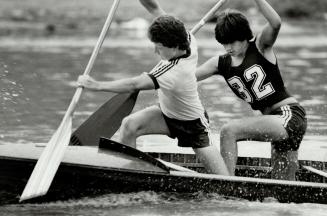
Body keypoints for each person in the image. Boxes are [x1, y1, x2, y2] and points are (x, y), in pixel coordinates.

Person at [77, 14, 230, 175]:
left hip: (193, 125)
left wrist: (96, 85)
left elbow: (133, 84)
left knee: (222, 178)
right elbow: (158, 11)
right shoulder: (189, 38)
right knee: (129, 125)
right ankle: (131, 176)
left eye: (159, 47)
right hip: (166, 115)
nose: (155, 50)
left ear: (175, 46)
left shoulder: (172, 73)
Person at [195, 0, 307, 180]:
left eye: (232, 42)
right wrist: (178, 56)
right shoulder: (220, 63)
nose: (228, 48)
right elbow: (188, 77)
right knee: (280, 190)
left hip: (289, 116)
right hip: (274, 123)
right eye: (224, 43)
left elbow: (276, 23)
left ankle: (226, 185)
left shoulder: (260, 46)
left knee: (229, 131)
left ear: (244, 36)